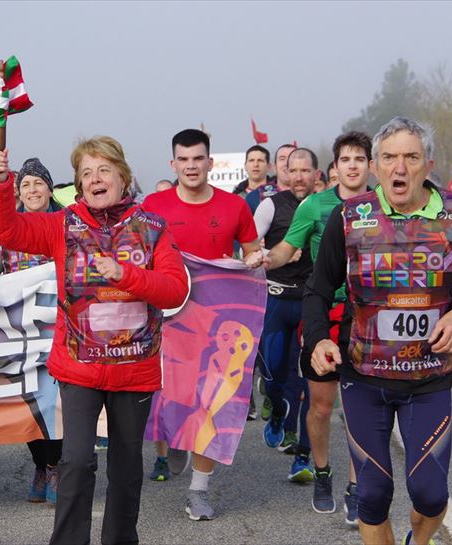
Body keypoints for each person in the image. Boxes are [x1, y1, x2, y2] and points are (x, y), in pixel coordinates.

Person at [0, 136, 188, 545]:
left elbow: (175, 290)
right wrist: (0, 182)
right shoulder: (63, 225)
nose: (96, 179)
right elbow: (6, 229)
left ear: (122, 177)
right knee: (76, 462)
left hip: (135, 370)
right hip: (79, 367)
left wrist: (126, 275)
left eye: (104, 170)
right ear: (78, 185)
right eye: (86, 173)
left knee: (127, 469)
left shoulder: (151, 229)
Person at [304, 117, 452, 545]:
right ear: (375, 167)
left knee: (430, 494)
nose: (399, 168)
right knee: (372, 495)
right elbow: (317, 289)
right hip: (364, 377)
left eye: (410, 157)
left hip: (429, 378)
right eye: (389, 158)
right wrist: (318, 339)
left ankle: (419, 539)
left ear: (428, 163)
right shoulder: (349, 217)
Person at [142, 129, 263, 520]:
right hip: (167, 318)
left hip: (218, 322)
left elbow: (251, 252)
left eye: (199, 159)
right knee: (165, 398)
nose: (191, 166)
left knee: (212, 402)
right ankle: (174, 436)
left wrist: (256, 260)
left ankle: (198, 490)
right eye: (184, 159)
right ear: (173, 164)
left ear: (211, 163)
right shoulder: (153, 205)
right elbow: (139, 253)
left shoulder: (235, 207)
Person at [264, 131, 372, 522]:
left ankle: (357, 487)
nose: (353, 166)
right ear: (336, 167)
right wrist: (258, 259)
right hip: (323, 315)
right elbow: (286, 250)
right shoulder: (314, 206)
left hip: (369, 319)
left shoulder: (382, 206)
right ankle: (322, 472)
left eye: (360, 159)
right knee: (322, 407)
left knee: (362, 409)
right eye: (346, 159)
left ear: (370, 166)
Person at [0, 157, 64, 504]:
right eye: (25, 185)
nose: (32, 190)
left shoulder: (65, 223)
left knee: (56, 403)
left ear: (49, 188)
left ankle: (56, 465)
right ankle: (40, 464)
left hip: (61, 328)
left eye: (38, 183)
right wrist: (10, 286)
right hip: (21, 330)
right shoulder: (6, 229)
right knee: (30, 402)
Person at [254, 148, 317, 483]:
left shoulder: (326, 206)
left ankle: (303, 457)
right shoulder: (271, 205)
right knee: (273, 375)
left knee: (310, 382)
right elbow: (248, 246)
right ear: (284, 173)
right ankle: (278, 413)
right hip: (277, 300)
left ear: (316, 174)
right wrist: (274, 255)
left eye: (305, 170)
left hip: (312, 302)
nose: (298, 177)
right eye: (293, 170)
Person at [245, 144, 294, 214]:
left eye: (292, 158)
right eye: (282, 159)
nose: (287, 163)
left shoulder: (311, 194)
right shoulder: (255, 197)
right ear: (275, 167)